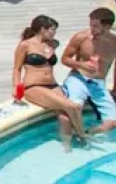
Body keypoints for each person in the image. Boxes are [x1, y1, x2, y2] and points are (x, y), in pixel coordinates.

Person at [11, 15, 86, 149]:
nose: (54, 33)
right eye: (52, 29)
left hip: (53, 85)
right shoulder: (25, 45)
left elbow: (56, 42)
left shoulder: (51, 44)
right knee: (71, 106)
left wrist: (48, 43)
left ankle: (67, 145)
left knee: (65, 117)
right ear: (42, 29)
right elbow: (17, 69)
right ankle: (83, 136)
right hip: (33, 86)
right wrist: (18, 92)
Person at [63, 7, 116, 137]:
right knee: (76, 108)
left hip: (98, 84)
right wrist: (80, 64)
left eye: (95, 26)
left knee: (113, 123)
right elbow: (65, 59)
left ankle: (88, 134)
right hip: (78, 79)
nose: (91, 29)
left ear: (107, 26)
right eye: (91, 25)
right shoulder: (81, 38)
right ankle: (77, 136)